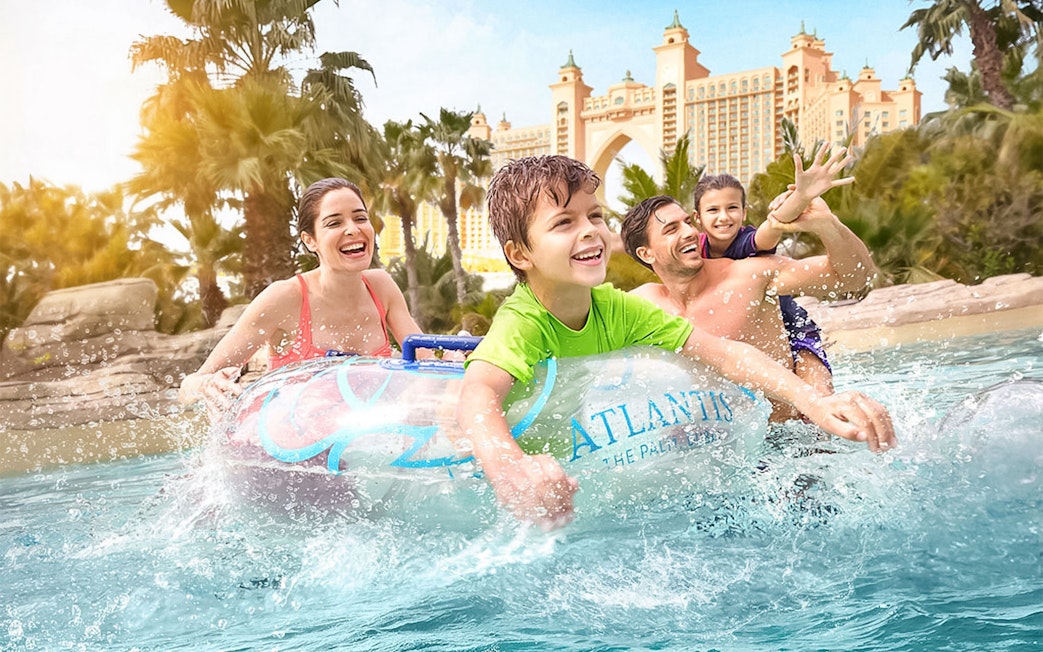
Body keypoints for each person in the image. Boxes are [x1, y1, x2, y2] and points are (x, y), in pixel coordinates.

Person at [455, 155, 894, 531]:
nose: (589, 231)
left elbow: (726, 353)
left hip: (580, 472)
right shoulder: (524, 320)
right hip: (520, 475)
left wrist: (814, 402)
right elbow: (477, 393)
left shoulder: (620, 310)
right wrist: (509, 468)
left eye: (594, 217)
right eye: (563, 222)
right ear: (519, 254)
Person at [620, 151, 877, 422]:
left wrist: (828, 226)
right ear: (646, 254)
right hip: (718, 448)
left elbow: (853, 278)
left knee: (821, 407)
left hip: (793, 442)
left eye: (687, 222)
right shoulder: (640, 306)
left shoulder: (749, 275)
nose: (689, 232)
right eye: (671, 229)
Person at [180, 178, 424, 420]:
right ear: (310, 240)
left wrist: (456, 356)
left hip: (362, 444)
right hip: (286, 451)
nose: (353, 229)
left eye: (360, 218)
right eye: (334, 223)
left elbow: (429, 359)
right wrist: (206, 385)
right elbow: (188, 387)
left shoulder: (381, 287)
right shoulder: (285, 298)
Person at [692, 171, 835, 397]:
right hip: (744, 338)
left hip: (792, 328)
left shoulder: (745, 242)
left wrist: (800, 198)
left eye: (732, 208)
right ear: (697, 217)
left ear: (744, 212)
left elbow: (773, 228)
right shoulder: (693, 251)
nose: (723, 217)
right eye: (712, 210)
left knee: (819, 397)